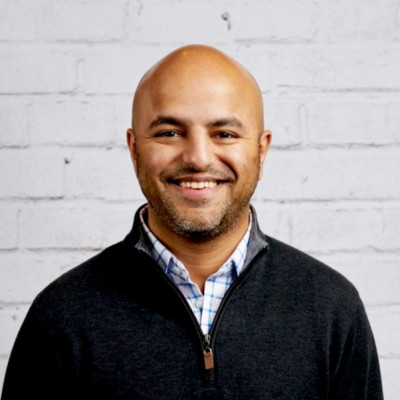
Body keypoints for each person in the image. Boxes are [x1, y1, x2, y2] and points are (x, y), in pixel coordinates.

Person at [1, 44, 383, 400]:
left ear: (261, 150)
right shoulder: (61, 317)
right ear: (134, 149)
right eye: (169, 133)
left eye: (224, 134)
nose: (198, 158)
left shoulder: (332, 309)